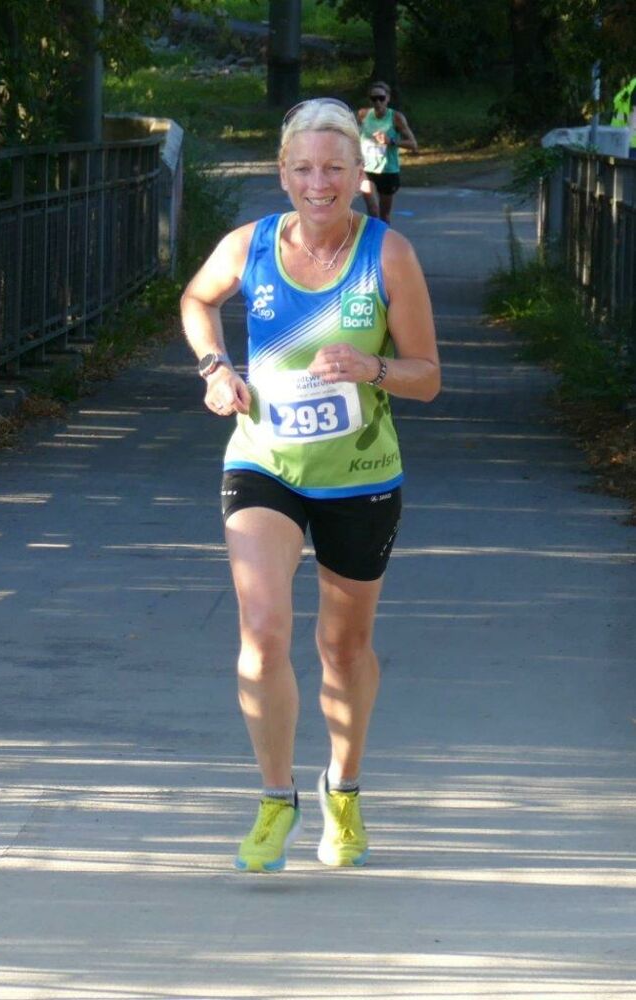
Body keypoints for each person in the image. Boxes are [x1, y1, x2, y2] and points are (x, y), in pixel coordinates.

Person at [180, 97, 439, 874]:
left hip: (360, 475)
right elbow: (197, 299)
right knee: (262, 627)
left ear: (361, 174)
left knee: (342, 646)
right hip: (264, 461)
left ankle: (343, 788)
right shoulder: (250, 245)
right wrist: (215, 367)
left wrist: (371, 366)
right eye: (303, 169)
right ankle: (274, 799)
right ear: (282, 174)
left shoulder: (389, 255)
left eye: (334, 168)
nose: (318, 183)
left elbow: (427, 377)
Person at [357, 81, 418, 224]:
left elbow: (413, 145)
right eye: (374, 99)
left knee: (384, 215)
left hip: (388, 171)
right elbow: (354, 135)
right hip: (367, 170)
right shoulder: (363, 114)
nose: (377, 102)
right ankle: (374, 237)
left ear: (388, 98)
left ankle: (385, 237)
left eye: (381, 98)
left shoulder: (396, 117)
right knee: (373, 210)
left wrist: (391, 141)